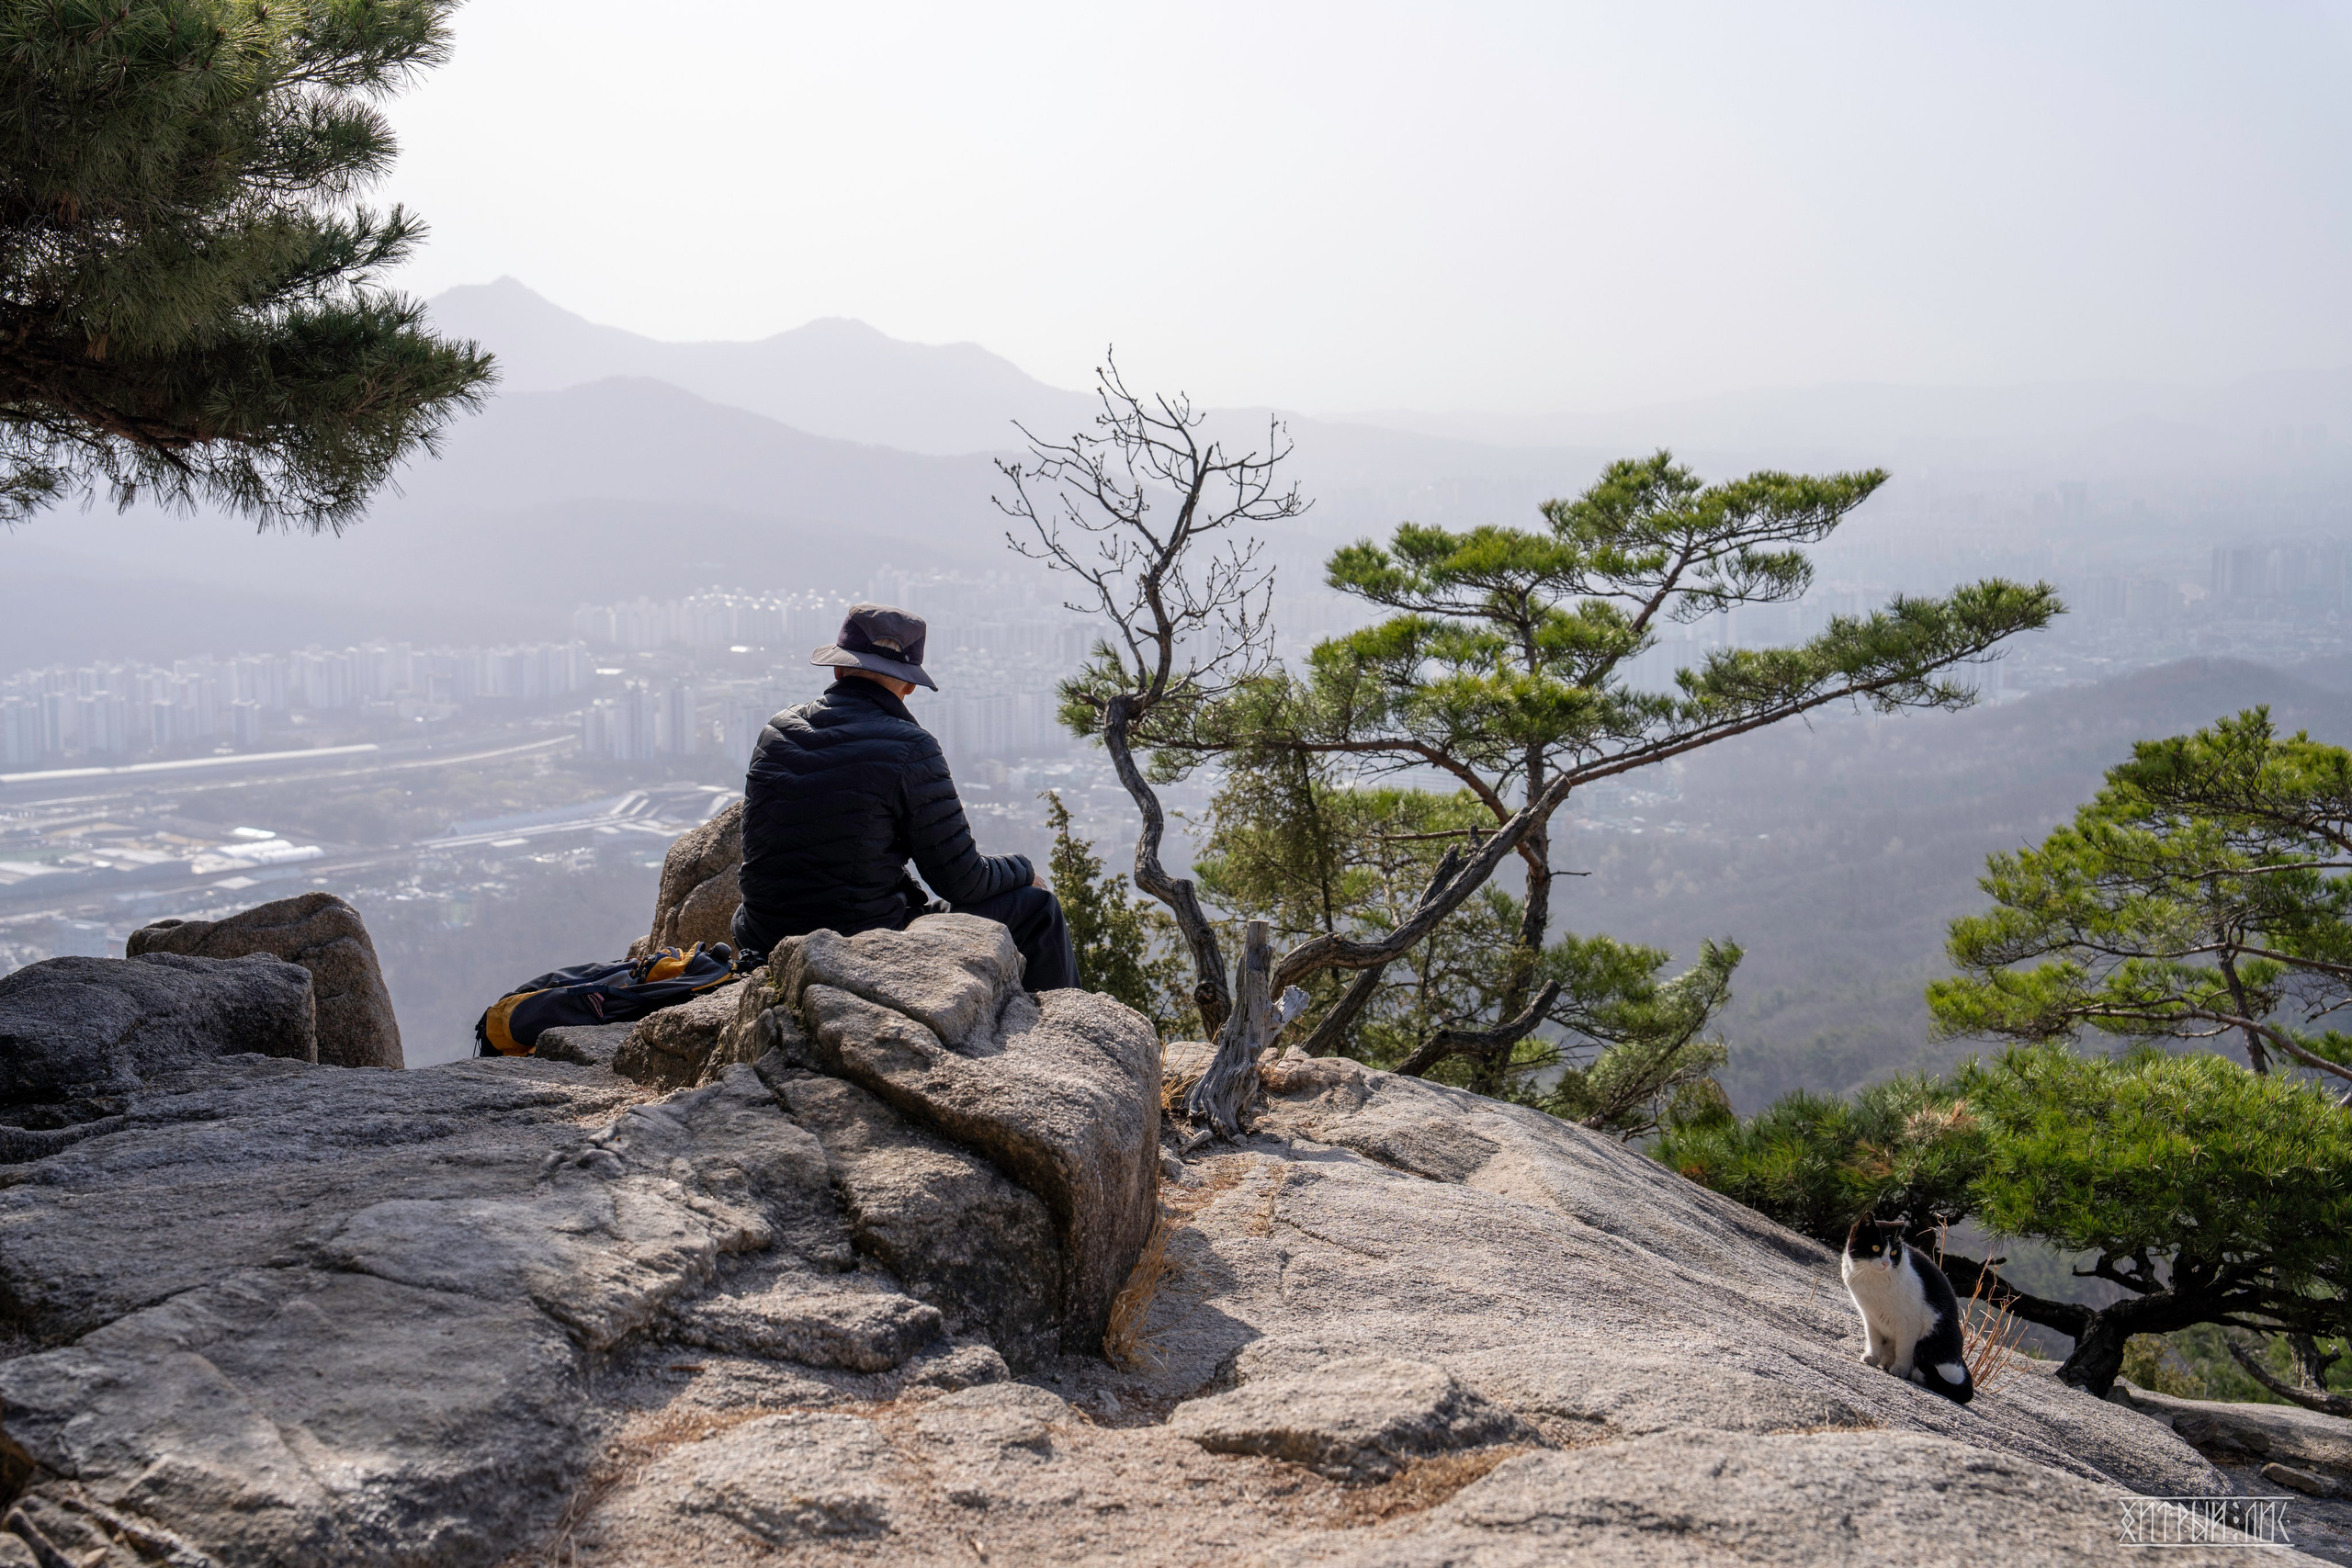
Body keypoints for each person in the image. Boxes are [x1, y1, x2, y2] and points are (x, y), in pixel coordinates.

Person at [731, 602, 1079, 991]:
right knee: (1040, 910)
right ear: (910, 684)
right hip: (858, 944)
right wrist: (1024, 870)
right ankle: (1058, 1027)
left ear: (838, 667)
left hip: (762, 937)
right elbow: (961, 880)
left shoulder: (776, 730)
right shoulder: (911, 748)